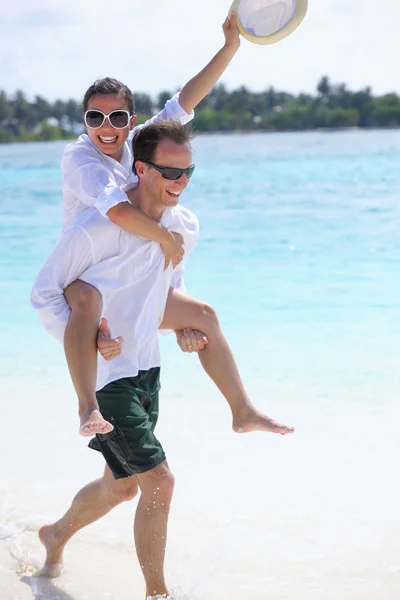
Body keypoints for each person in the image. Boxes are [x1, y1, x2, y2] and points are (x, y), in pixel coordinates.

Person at [31, 121, 294, 599]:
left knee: (122, 486)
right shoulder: (95, 229)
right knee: (159, 482)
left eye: (188, 172)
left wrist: (185, 333)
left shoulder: (182, 225)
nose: (181, 182)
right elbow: (46, 294)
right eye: (171, 172)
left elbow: (169, 292)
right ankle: (158, 593)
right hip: (107, 376)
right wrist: (87, 343)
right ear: (140, 168)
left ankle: (55, 534)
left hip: (145, 370)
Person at [57, 14, 246, 436]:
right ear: (84, 120)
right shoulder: (80, 158)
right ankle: (86, 407)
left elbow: (186, 100)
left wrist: (230, 47)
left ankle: (243, 410)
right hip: (91, 277)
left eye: (118, 118)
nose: (107, 128)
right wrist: (166, 238)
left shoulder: (140, 144)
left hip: (135, 278)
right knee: (90, 304)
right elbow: (116, 212)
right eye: (95, 118)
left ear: (131, 119)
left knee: (203, 316)